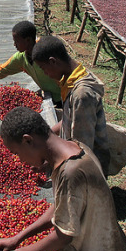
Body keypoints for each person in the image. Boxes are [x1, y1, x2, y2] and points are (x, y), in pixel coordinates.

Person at [0, 106, 126, 251]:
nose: (20, 160)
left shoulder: (71, 173)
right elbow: (61, 206)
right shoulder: (74, 148)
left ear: (28, 140)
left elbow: (64, 235)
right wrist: (18, 238)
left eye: (17, 153)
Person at [31, 35, 110, 173]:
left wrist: (52, 162)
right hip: (75, 157)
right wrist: (46, 135)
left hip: (87, 168)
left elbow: (82, 146)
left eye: (43, 68)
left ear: (53, 61)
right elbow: (72, 118)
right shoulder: (71, 79)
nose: (45, 74)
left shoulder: (81, 95)